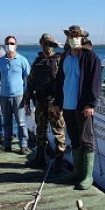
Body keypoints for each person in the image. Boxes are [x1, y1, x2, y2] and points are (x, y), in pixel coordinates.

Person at [53, 25, 101, 190]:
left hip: (83, 107)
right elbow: (59, 81)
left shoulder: (90, 57)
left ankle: (88, 176)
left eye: (77, 35)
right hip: (67, 106)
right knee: (74, 140)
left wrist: (91, 104)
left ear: (82, 38)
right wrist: (57, 102)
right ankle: (77, 172)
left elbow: (96, 82)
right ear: (67, 38)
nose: (74, 38)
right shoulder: (64, 56)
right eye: (71, 35)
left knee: (86, 140)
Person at [24, 33, 66, 172]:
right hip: (40, 102)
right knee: (40, 130)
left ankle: (59, 162)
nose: (46, 46)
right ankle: (40, 157)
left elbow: (64, 83)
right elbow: (30, 82)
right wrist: (27, 101)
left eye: (49, 43)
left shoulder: (59, 60)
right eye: (44, 43)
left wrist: (60, 103)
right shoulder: (37, 62)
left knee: (58, 132)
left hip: (54, 102)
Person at [0, 35, 30, 154]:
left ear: (16, 45)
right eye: (7, 43)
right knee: (6, 121)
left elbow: (28, 77)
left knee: (21, 121)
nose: (10, 46)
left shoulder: (22, 60)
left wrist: (28, 94)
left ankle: (23, 145)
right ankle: (6, 144)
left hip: (19, 95)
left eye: (12, 43)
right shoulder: (1, 61)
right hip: (4, 95)